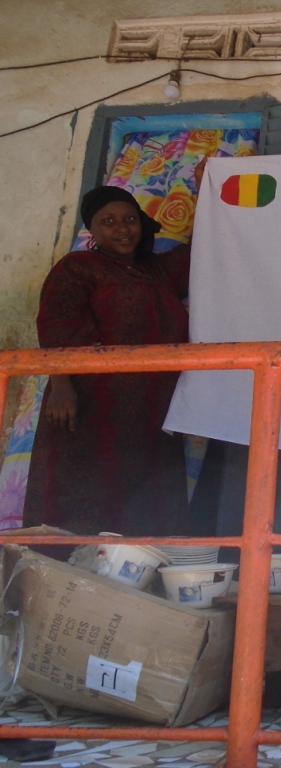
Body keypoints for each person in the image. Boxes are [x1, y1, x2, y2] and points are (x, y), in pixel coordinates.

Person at [22, 161, 205, 536]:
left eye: (129, 219)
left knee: (146, 506)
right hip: (91, 406)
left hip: (152, 408)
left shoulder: (156, 270)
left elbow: (203, 251)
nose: (122, 228)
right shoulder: (78, 267)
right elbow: (58, 325)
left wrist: (209, 191)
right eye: (109, 221)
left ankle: (136, 569)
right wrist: (61, 385)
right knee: (85, 496)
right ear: (92, 230)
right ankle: (66, 566)